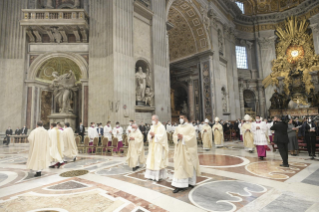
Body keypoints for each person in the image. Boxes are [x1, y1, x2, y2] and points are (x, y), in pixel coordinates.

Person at [172, 114, 200, 193]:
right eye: (179, 118)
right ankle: (180, 185)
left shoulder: (190, 127)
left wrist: (183, 138)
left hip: (187, 150)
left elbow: (193, 138)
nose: (180, 119)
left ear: (185, 118)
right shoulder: (178, 127)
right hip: (180, 150)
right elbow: (174, 136)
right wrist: (177, 138)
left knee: (188, 165)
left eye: (182, 118)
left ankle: (190, 182)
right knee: (180, 166)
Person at [145, 115, 169, 181]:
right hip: (152, 146)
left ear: (157, 120)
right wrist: (150, 136)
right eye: (152, 119)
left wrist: (155, 135)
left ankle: (158, 176)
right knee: (151, 160)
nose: (152, 121)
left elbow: (163, 137)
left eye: (153, 119)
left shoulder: (161, 127)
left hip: (158, 147)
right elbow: (149, 135)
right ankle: (151, 176)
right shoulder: (152, 127)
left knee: (157, 161)